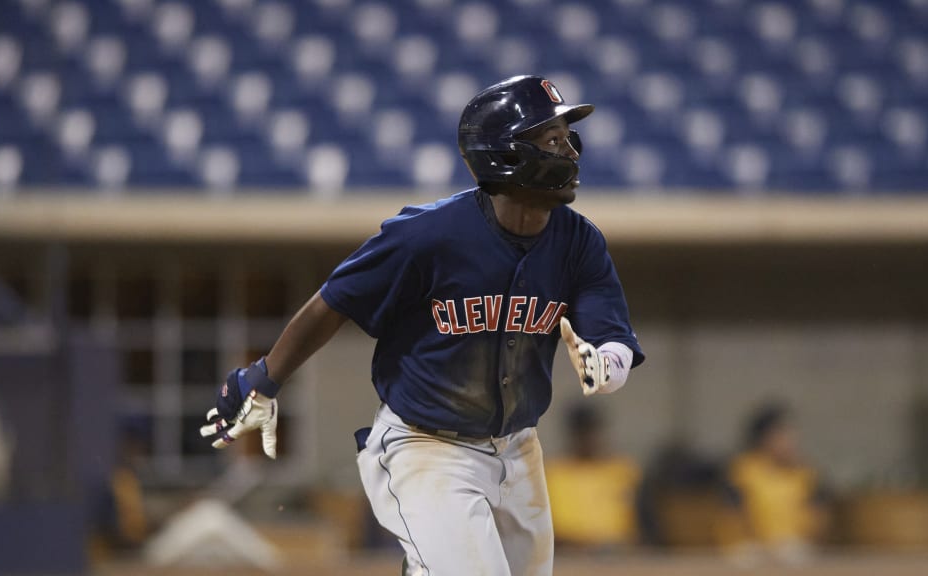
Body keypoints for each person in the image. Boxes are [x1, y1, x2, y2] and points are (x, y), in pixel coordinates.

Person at [199, 75, 644, 576]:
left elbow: (613, 336)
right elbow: (333, 302)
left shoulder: (579, 242)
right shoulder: (426, 236)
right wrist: (263, 378)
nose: (570, 151)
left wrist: (608, 364)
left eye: (568, 137)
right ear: (505, 154)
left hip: (520, 447)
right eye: (552, 139)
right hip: (427, 446)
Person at [719, 403, 829, 565]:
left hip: (794, 551)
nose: (789, 442)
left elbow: (818, 517)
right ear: (764, 439)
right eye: (781, 436)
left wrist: (802, 539)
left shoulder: (806, 474)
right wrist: (760, 547)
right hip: (751, 552)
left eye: (791, 435)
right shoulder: (743, 471)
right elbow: (733, 516)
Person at [544, 404, 641, 550]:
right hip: (569, 555)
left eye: (594, 432)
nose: (591, 440)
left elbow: (640, 525)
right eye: (584, 434)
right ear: (573, 436)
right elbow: (548, 529)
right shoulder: (554, 473)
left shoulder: (623, 472)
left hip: (619, 555)